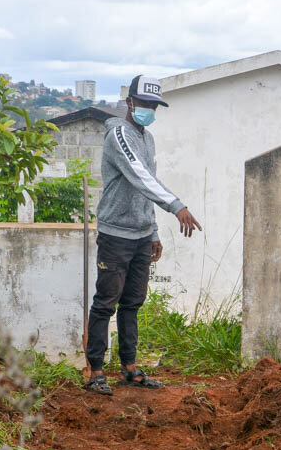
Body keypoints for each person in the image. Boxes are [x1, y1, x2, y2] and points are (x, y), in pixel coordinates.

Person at [83, 75, 202, 395]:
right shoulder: (119, 134)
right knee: (106, 303)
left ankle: (129, 367)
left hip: (139, 234)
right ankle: (94, 370)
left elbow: (147, 187)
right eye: (145, 104)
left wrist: (152, 232)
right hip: (115, 234)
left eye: (154, 106)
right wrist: (176, 206)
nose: (149, 110)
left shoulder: (147, 139)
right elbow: (138, 175)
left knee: (133, 302)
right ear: (129, 103)